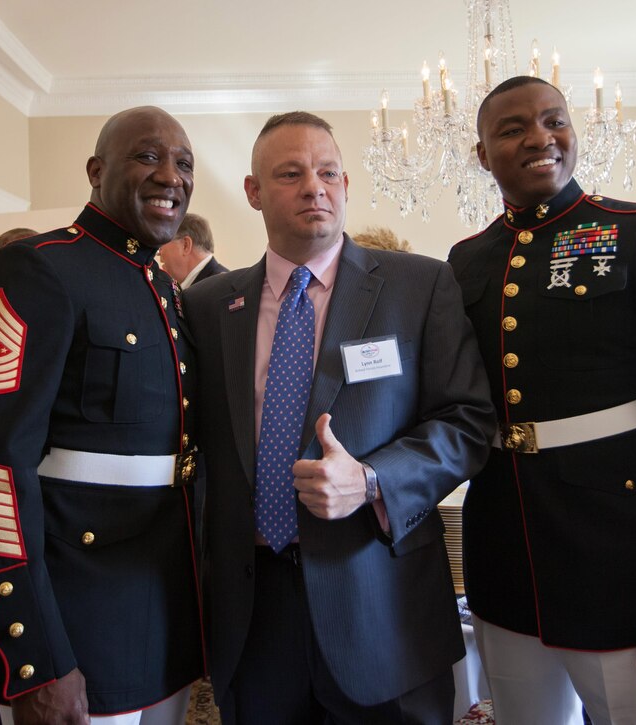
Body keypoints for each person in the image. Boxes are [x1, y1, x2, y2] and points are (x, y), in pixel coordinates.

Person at [447, 76, 636, 724]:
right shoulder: (467, 261)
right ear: (481, 155)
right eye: (512, 128)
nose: (539, 137)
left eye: (554, 119)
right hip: (506, 557)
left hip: (624, 563)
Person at [184, 111, 495, 724]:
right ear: (253, 193)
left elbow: (468, 419)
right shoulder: (207, 306)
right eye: (291, 174)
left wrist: (374, 479)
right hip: (253, 610)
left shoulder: (421, 286)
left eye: (328, 172)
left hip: (382, 601)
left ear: (346, 185)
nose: (314, 187)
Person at [0, 106, 205, 725]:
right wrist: (34, 657)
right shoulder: (37, 269)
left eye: (184, 163)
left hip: (162, 611)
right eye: (147, 156)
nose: (171, 175)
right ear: (96, 170)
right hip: (71, 619)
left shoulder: (161, 289)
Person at [157, 212, 227, 289]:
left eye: (162, 244)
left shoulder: (220, 288)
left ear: (185, 245)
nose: (158, 253)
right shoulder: (213, 283)